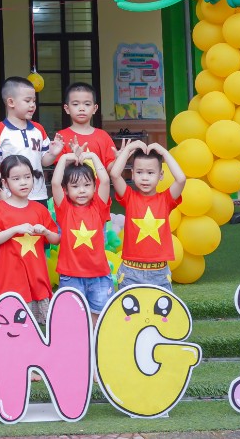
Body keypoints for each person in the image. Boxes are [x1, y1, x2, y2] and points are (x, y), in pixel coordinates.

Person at [0, 155, 60, 324]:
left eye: (27, 177)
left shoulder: (39, 210)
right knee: (11, 325)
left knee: (40, 325)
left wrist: (45, 232)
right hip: (10, 277)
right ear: (5, 183)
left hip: (37, 275)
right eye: (16, 179)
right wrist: (15, 230)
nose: (23, 182)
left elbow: (56, 239)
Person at [109, 140, 185, 291]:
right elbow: (115, 175)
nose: (144, 177)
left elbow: (181, 179)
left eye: (150, 173)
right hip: (130, 270)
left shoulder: (166, 199)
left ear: (161, 175)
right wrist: (128, 149)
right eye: (139, 172)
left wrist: (164, 153)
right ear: (132, 174)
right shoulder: (129, 197)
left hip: (159, 272)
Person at [51, 146, 113, 321]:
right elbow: (55, 183)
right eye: (75, 186)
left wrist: (92, 155)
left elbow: (105, 180)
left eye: (87, 185)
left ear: (94, 187)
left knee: (98, 317)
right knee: (73, 319)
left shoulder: (99, 207)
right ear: (66, 189)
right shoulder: (64, 209)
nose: (82, 190)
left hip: (99, 275)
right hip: (71, 276)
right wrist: (65, 157)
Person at [0, 76, 61, 203]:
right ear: (11, 102)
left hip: (38, 195)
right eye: (27, 101)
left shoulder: (38, 129)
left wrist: (53, 154)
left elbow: (44, 161)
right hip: (10, 197)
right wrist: (3, 196)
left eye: (34, 101)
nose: (32, 105)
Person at [54, 82, 118, 170]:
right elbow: (59, 169)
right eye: (75, 104)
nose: (81, 109)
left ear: (94, 109)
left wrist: (119, 159)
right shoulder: (61, 136)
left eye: (87, 104)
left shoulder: (103, 136)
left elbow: (109, 169)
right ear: (67, 109)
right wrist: (74, 157)